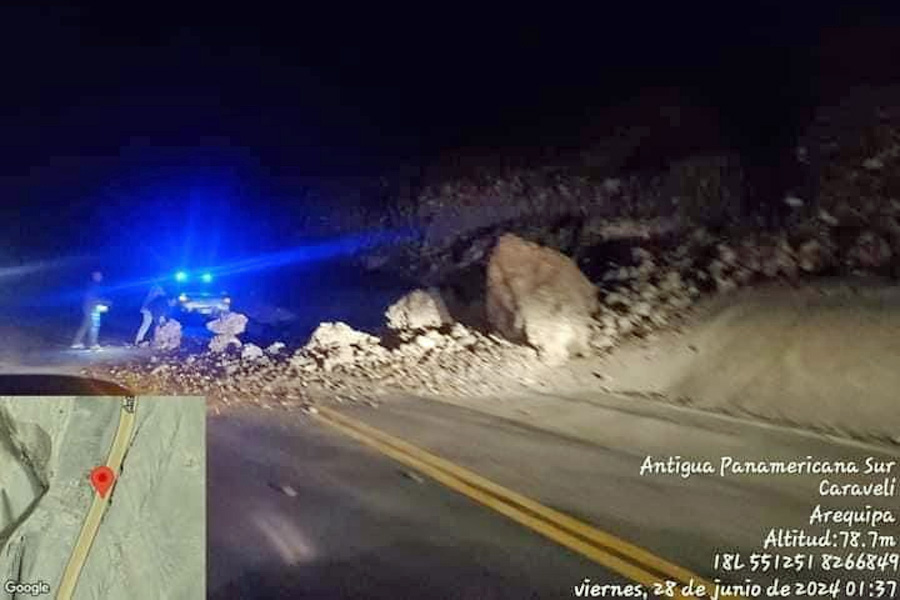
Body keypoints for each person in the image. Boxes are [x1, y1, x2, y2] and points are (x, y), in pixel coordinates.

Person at [71, 271, 110, 350]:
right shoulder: (93, 286)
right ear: (94, 276)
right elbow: (93, 298)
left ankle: (76, 343)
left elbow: (93, 298)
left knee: (85, 325)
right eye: (99, 276)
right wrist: (105, 302)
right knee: (94, 326)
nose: (101, 277)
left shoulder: (92, 285)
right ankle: (93, 344)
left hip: (89, 307)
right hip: (92, 308)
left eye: (101, 276)